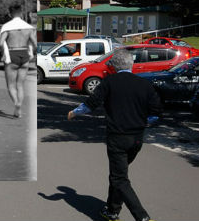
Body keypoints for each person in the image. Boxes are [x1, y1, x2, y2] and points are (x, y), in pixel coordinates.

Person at [67, 49, 161, 221]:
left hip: (118, 137)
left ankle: (143, 217)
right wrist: (141, 123)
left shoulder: (110, 82)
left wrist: (74, 112)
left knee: (120, 179)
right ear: (130, 64)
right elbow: (155, 113)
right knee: (117, 175)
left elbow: (91, 104)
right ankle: (112, 210)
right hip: (137, 139)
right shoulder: (144, 84)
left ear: (114, 66)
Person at [0, 4, 37, 118]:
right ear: (21, 13)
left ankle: (17, 103)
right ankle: (19, 105)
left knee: (11, 85)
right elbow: (35, 43)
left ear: (10, 14)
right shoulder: (28, 27)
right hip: (24, 54)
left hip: (12, 53)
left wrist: (3, 53)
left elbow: (1, 43)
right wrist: (32, 54)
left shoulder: (7, 26)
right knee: (20, 84)